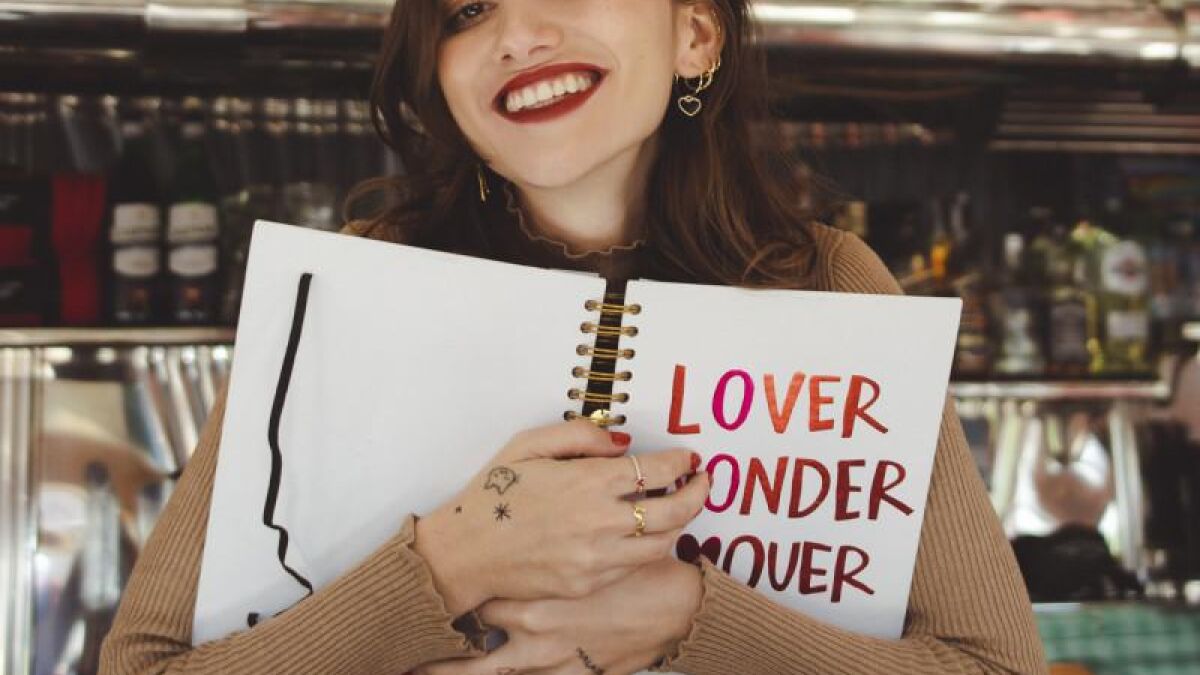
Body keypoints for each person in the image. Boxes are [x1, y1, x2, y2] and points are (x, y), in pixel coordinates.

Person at [101, 0, 1048, 673]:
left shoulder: (832, 284)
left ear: (695, 33)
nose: (517, 34)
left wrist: (692, 616)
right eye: (467, 10)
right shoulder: (344, 289)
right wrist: (449, 564)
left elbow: (996, 664)